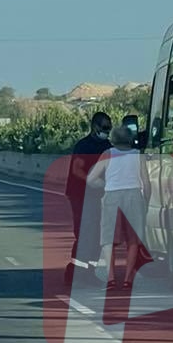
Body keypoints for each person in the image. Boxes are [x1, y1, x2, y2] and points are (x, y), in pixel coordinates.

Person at [90, 123, 149, 284]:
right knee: (133, 240)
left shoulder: (107, 154)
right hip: (134, 195)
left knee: (108, 239)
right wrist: (146, 202)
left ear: (113, 139)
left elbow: (91, 179)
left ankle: (111, 278)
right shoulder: (138, 155)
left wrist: (105, 185)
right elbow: (146, 182)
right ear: (130, 139)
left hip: (112, 197)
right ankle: (128, 278)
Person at [68, 111, 113, 271]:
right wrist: (92, 180)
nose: (107, 131)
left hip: (99, 195)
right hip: (80, 194)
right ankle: (74, 271)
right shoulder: (84, 146)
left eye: (109, 128)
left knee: (98, 233)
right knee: (84, 232)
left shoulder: (107, 147)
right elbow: (76, 169)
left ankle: (90, 270)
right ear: (95, 126)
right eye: (104, 127)